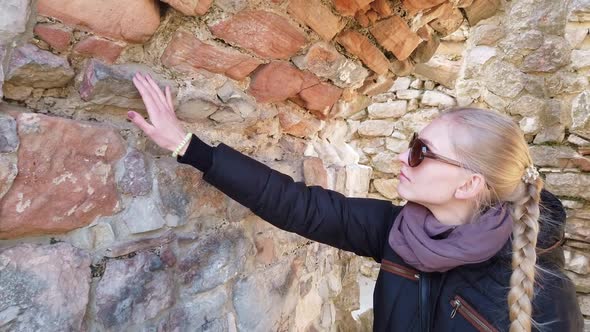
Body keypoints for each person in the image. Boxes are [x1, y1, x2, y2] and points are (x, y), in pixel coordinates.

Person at [128, 73, 584, 332]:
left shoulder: (545, 294)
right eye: (412, 142)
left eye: (421, 152)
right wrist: (186, 145)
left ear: (468, 185)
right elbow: (295, 205)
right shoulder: (400, 232)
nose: (402, 157)